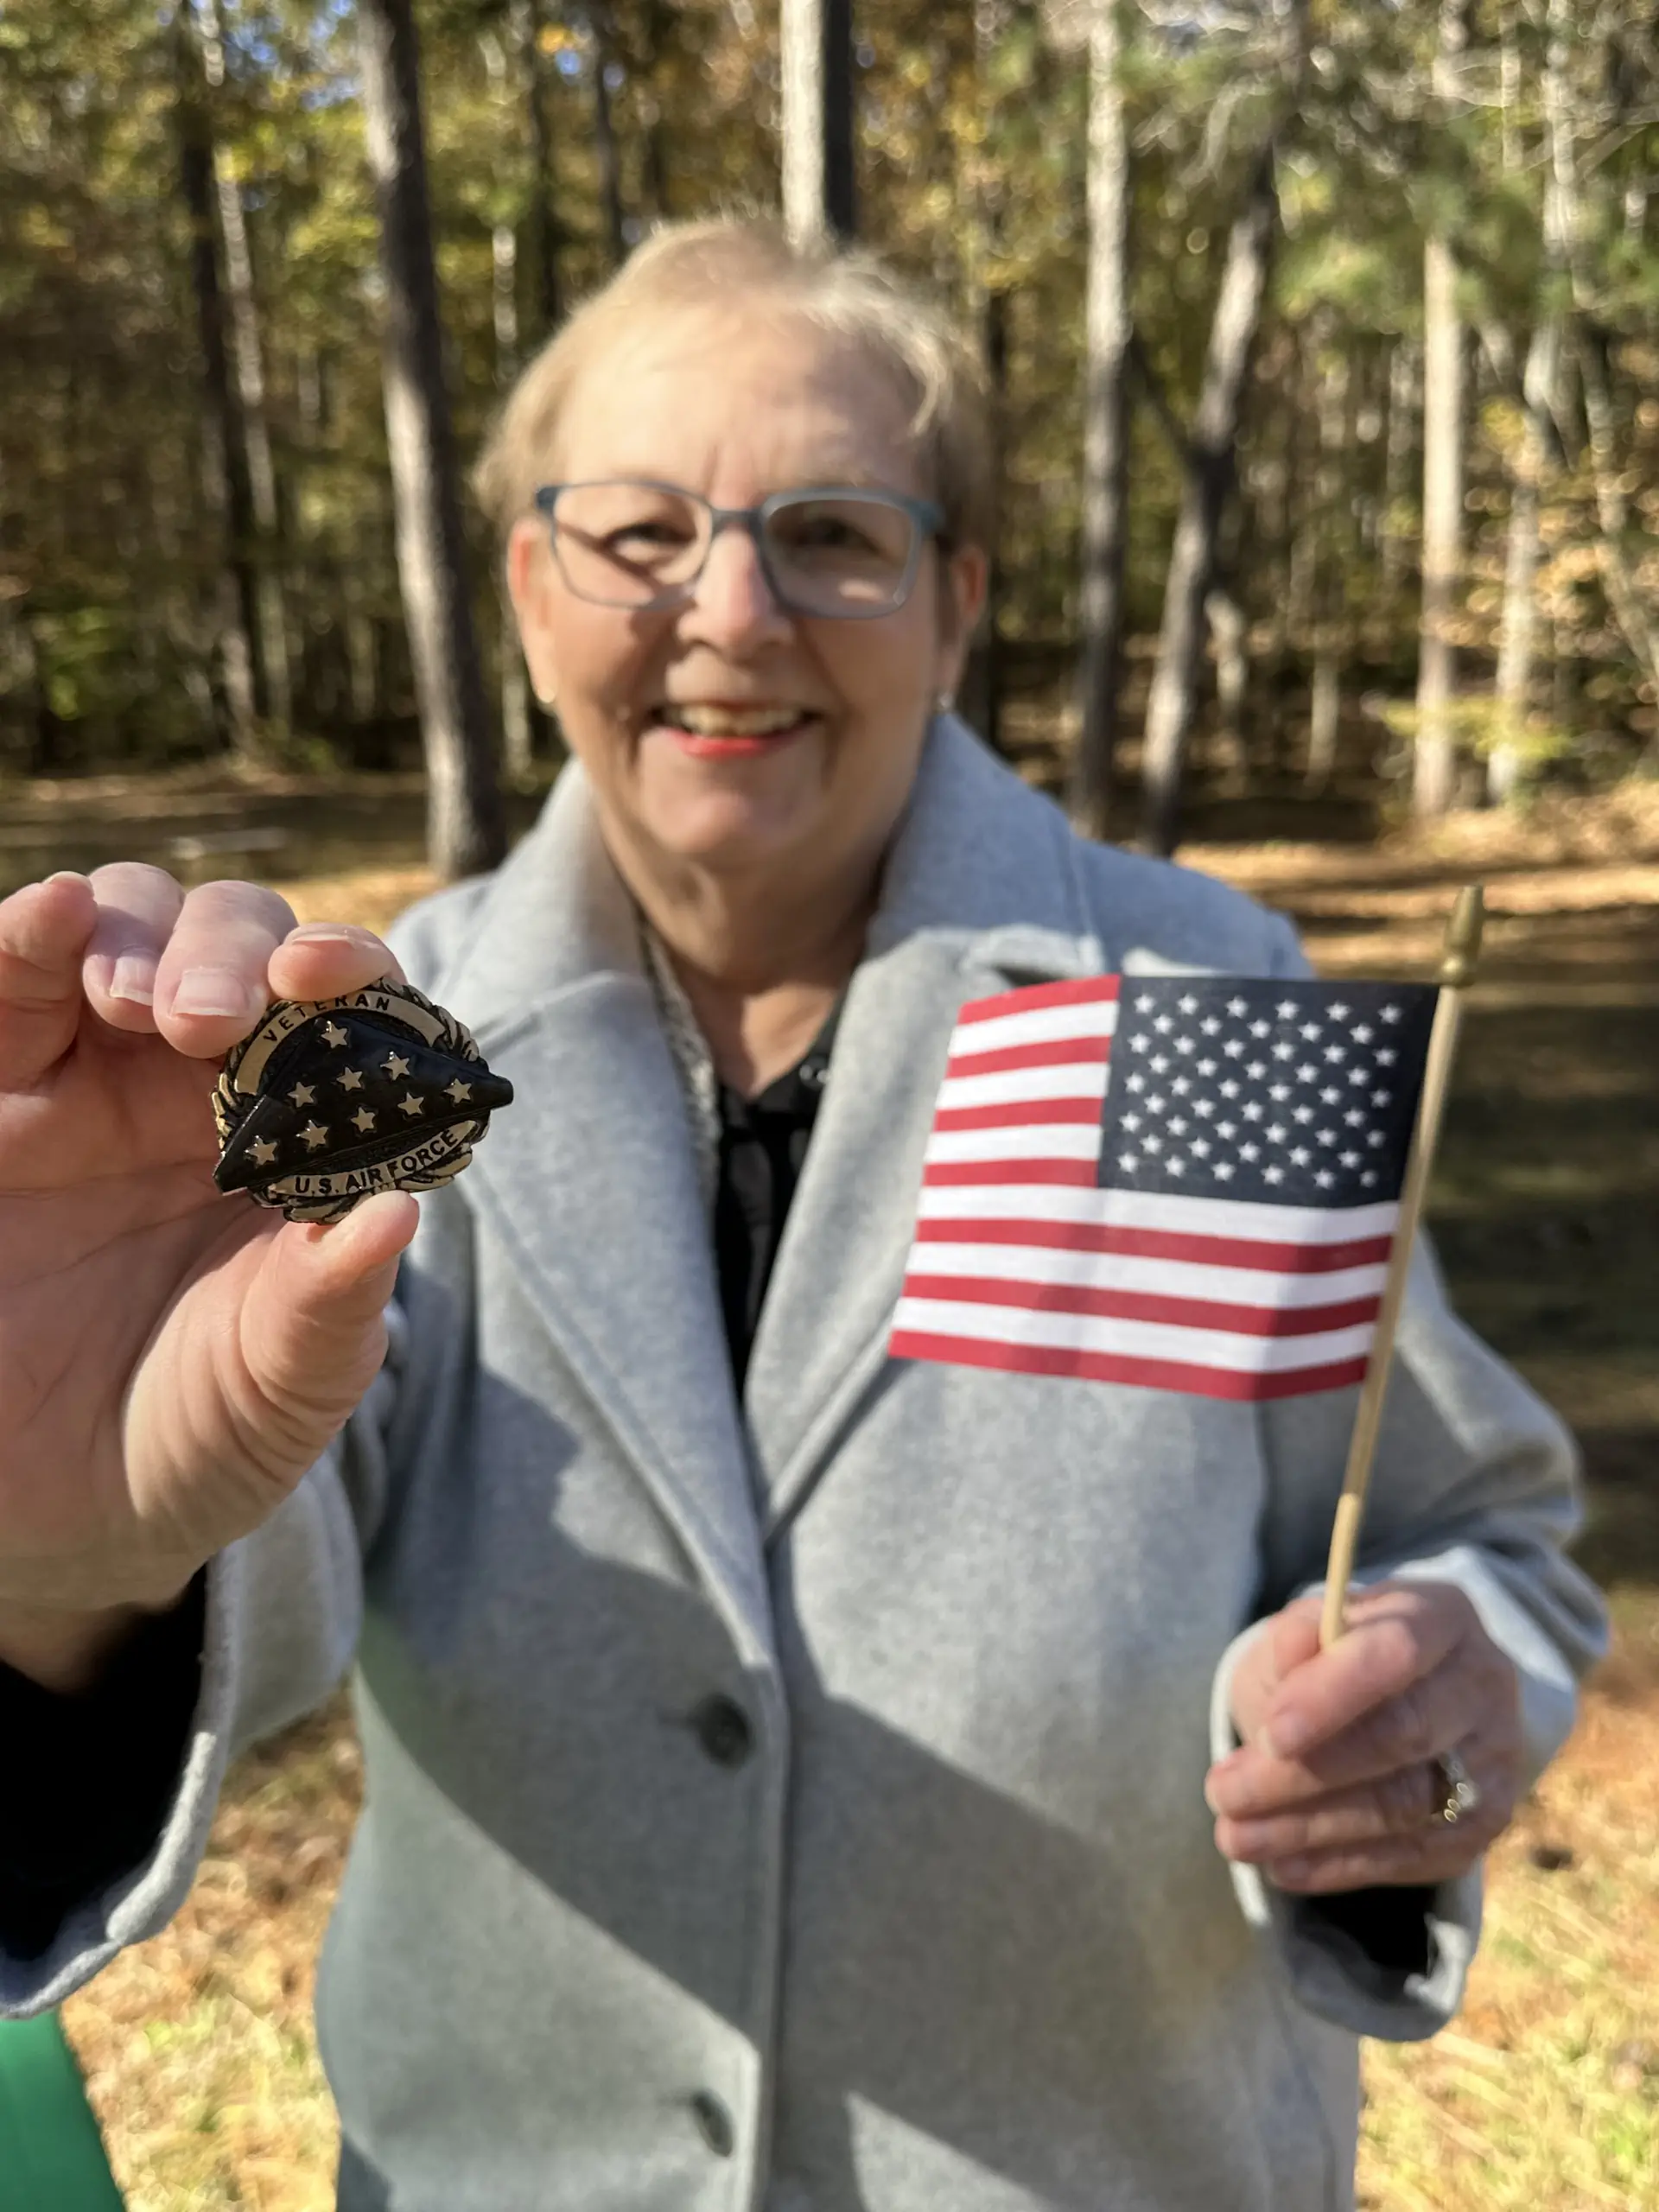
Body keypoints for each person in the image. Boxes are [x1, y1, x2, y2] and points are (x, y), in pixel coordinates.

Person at [0, 219, 1606, 2212]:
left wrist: (1448, 1674)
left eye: (833, 532)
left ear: (957, 601)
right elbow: (263, 1562)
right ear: (529, 583)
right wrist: (66, 1558)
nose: (734, 612)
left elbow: (1483, 1537)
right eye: (643, 531)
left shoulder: (1212, 1002)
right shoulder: (365, 1049)